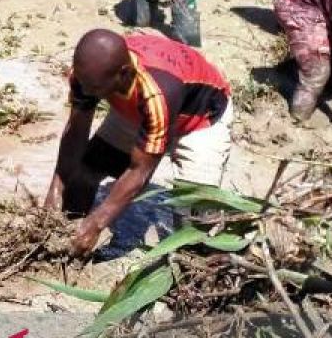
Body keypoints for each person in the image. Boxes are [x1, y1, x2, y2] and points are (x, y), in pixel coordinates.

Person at [45, 29, 233, 256]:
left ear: (123, 74)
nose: (86, 92)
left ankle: (195, 269)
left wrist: (96, 224)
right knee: (84, 173)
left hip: (200, 118)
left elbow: (141, 170)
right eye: (84, 85)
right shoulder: (87, 77)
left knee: (193, 217)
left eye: (94, 89)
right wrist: (57, 187)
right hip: (139, 111)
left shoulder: (155, 92)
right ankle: (65, 241)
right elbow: (76, 131)